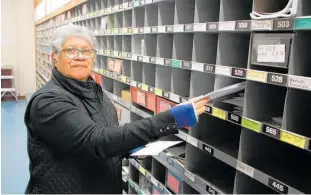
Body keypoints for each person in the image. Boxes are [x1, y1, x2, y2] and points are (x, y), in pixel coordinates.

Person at [24, 23, 209, 194]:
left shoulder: (95, 92)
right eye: (70, 51)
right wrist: (171, 118)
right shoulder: (47, 102)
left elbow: (107, 135)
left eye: (86, 51)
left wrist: (126, 147)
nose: (80, 56)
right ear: (54, 57)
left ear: (94, 57)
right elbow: (96, 141)